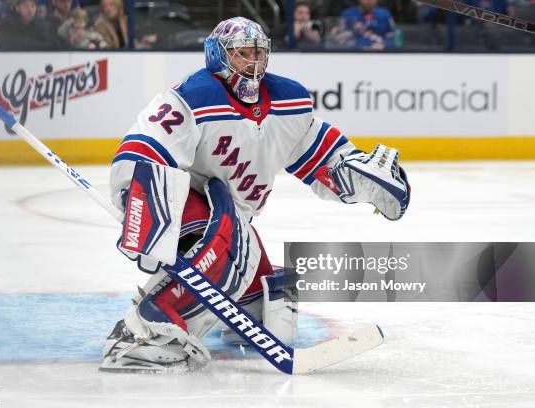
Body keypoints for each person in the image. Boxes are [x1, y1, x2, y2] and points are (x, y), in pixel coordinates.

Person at [101, 17, 410, 372]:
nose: (253, 63)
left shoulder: (289, 100)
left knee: (270, 306)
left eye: (259, 54)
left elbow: (322, 158)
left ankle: (227, 306)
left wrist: (359, 177)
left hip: (229, 215)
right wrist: (143, 211)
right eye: (242, 54)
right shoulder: (194, 96)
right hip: (183, 205)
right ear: (218, 56)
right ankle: (141, 334)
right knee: (230, 250)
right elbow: (140, 152)